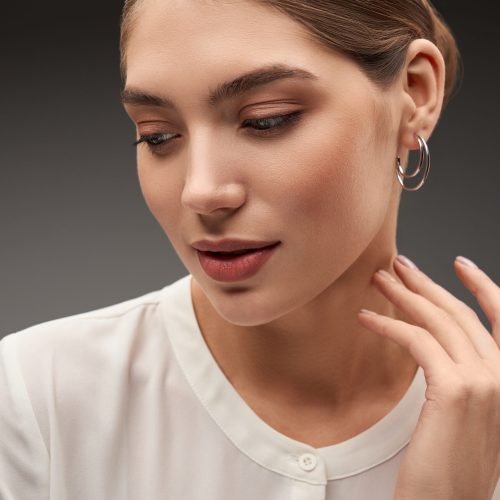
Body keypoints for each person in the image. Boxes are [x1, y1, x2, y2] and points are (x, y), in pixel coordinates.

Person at [1, 0, 499, 498]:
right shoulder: (34, 397)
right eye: (158, 135)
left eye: (266, 120)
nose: (200, 191)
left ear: (415, 92)